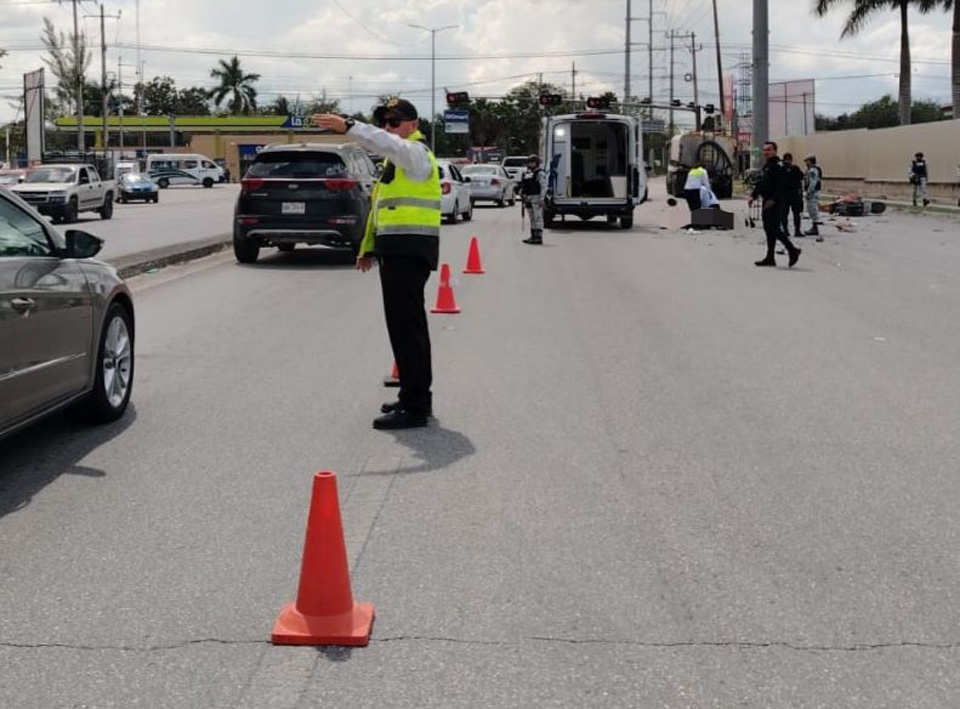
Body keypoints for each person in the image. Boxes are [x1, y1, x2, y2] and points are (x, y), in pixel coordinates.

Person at [313, 98, 440, 430]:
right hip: (397, 248)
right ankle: (411, 396)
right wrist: (368, 249)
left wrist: (351, 126)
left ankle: (416, 405)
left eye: (395, 121)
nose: (388, 127)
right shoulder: (396, 161)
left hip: (409, 248)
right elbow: (381, 208)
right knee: (402, 328)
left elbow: (386, 143)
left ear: (412, 124)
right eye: (385, 121)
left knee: (408, 329)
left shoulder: (415, 154)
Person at [750, 141, 801, 268]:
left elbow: (781, 185)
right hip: (766, 200)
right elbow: (762, 183)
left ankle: (792, 250)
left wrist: (773, 199)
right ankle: (770, 257)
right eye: (764, 150)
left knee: (774, 228)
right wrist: (754, 195)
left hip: (776, 201)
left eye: (768, 149)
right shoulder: (767, 166)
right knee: (768, 229)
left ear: (775, 151)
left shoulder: (779, 166)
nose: (766, 152)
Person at [517, 154, 547, 245]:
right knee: (532, 218)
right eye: (529, 162)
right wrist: (521, 192)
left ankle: (538, 237)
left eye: (532, 162)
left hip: (537, 198)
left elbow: (543, 187)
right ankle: (533, 236)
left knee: (538, 218)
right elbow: (524, 185)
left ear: (536, 163)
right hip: (528, 198)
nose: (530, 164)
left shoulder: (540, 173)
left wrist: (542, 198)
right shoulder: (527, 173)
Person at [779, 153, 804, 237]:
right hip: (794, 194)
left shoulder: (780, 169)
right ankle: (797, 231)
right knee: (796, 213)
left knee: (784, 213)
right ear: (791, 160)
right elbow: (801, 177)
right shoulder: (795, 168)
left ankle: (785, 231)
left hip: (783, 194)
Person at [803, 154, 823, 241]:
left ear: (810, 161)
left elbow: (813, 182)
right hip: (814, 192)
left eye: (807, 161)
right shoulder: (812, 170)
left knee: (812, 209)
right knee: (811, 209)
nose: (805, 163)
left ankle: (815, 228)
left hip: (813, 193)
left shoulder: (813, 170)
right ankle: (814, 227)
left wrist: (809, 192)